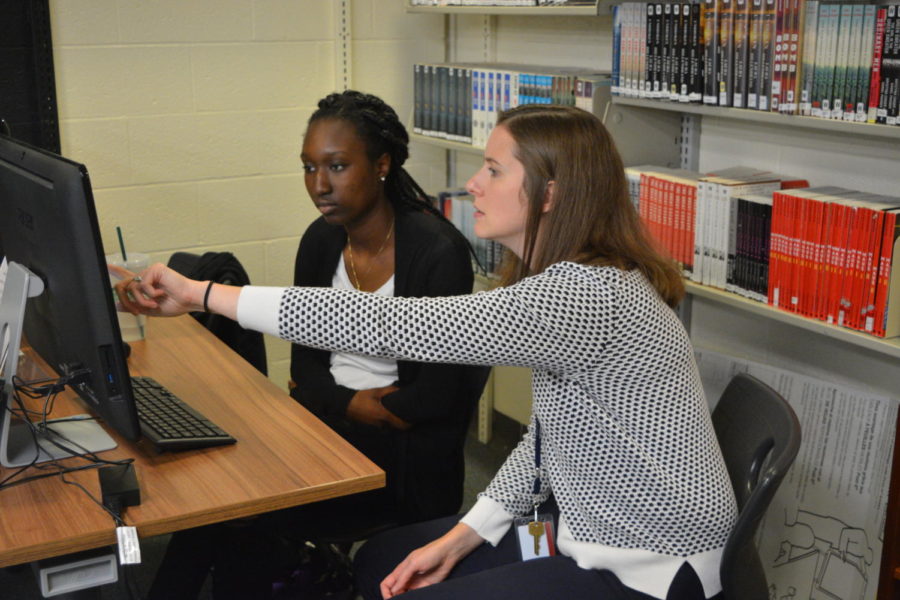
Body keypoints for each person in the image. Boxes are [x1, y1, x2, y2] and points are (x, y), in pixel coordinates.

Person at [115, 104, 738, 600]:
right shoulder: (565, 282)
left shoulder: (585, 294)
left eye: (495, 169)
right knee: (387, 560)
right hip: (578, 528)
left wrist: (204, 294)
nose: (474, 183)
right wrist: (468, 534)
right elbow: (547, 442)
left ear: (549, 194)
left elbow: (389, 323)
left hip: (647, 564)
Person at [141, 90, 488, 600]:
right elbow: (304, 364)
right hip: (329, 424)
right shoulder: (321, 239)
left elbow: (432, 399)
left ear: (383, 164)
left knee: (239, 507)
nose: (319, 186)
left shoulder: (438, 251)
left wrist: (326, 399)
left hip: (403, 459)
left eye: (338, 166)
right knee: (217, 491)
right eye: (308, 168)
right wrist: (346, 404)